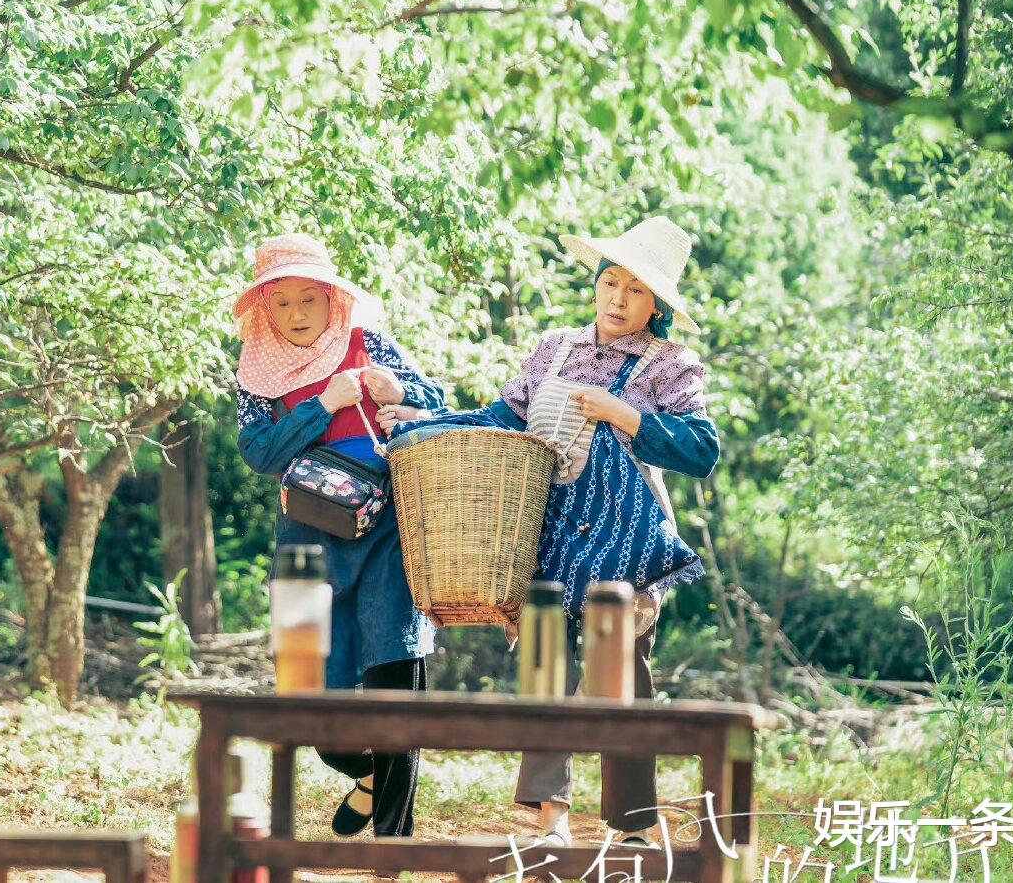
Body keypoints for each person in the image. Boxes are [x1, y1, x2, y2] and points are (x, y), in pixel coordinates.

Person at [390, 215, 721, 848]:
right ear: (596, 285)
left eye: (636, 291)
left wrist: (626, 415)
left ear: (657, 308)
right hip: (547, 529)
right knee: (544, 667)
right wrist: (420, 416)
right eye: (610, 284)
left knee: (620, 674)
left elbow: (702, 451)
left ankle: (630, 824)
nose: (618, 300)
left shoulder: (671, 366)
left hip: (622, 539)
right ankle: (552, 819)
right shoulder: (556, 348)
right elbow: (499, 418)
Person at [233, 232, 447, 838]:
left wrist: (400, 393)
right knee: (308, 698)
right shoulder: (256, 369)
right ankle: (370, 773)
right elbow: (258, 452)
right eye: (281, 303)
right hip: (306, 544)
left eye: (309, 299)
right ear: (264, 309)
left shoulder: (368, 343)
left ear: (333, 299)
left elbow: (438, 403)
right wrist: (323, 405)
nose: (296, 315)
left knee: (393, 682)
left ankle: (394, 850)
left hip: (386, 533)